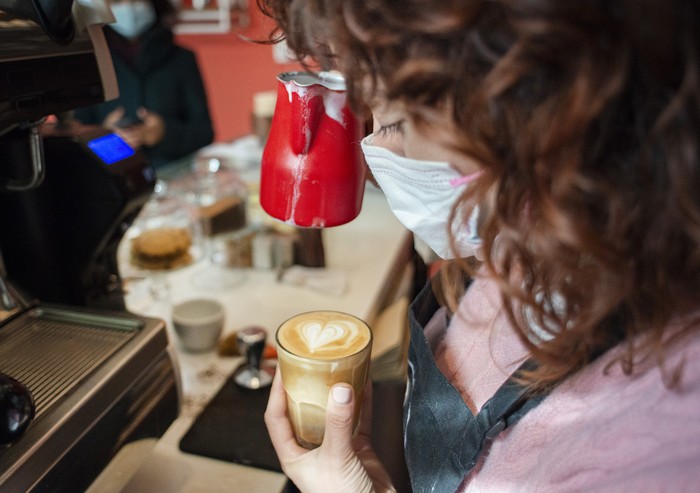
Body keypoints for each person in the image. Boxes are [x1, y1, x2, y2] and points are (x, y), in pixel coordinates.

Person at [260, 0, 700, 492]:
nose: (376, 154)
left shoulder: (665, 445)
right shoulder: (518, 241)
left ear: (526, 107)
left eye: (392, 124)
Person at [73, 0, 214, 169]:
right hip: (112, 180)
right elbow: (75, 134)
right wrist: (104, 137)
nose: (128, 6)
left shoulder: (182, 59)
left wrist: (164, 133)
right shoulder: (90, 61)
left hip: (172, 177)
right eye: (118, 0)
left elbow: (204, 132)